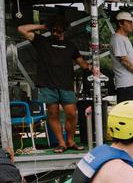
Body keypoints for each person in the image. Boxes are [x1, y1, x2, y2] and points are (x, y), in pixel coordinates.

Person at [18, 17, 92, 153]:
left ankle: (71, 141)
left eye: (58, 31)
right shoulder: (42, 41)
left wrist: (91, 67)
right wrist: (44, 26)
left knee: (72, 114)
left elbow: (82, 63)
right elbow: (21, 29)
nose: (55, 33)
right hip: (48, 84)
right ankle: (61, 143)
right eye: (53, 30)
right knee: (53, 114)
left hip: (66, 85)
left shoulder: (70, 46)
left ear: (63, 30)